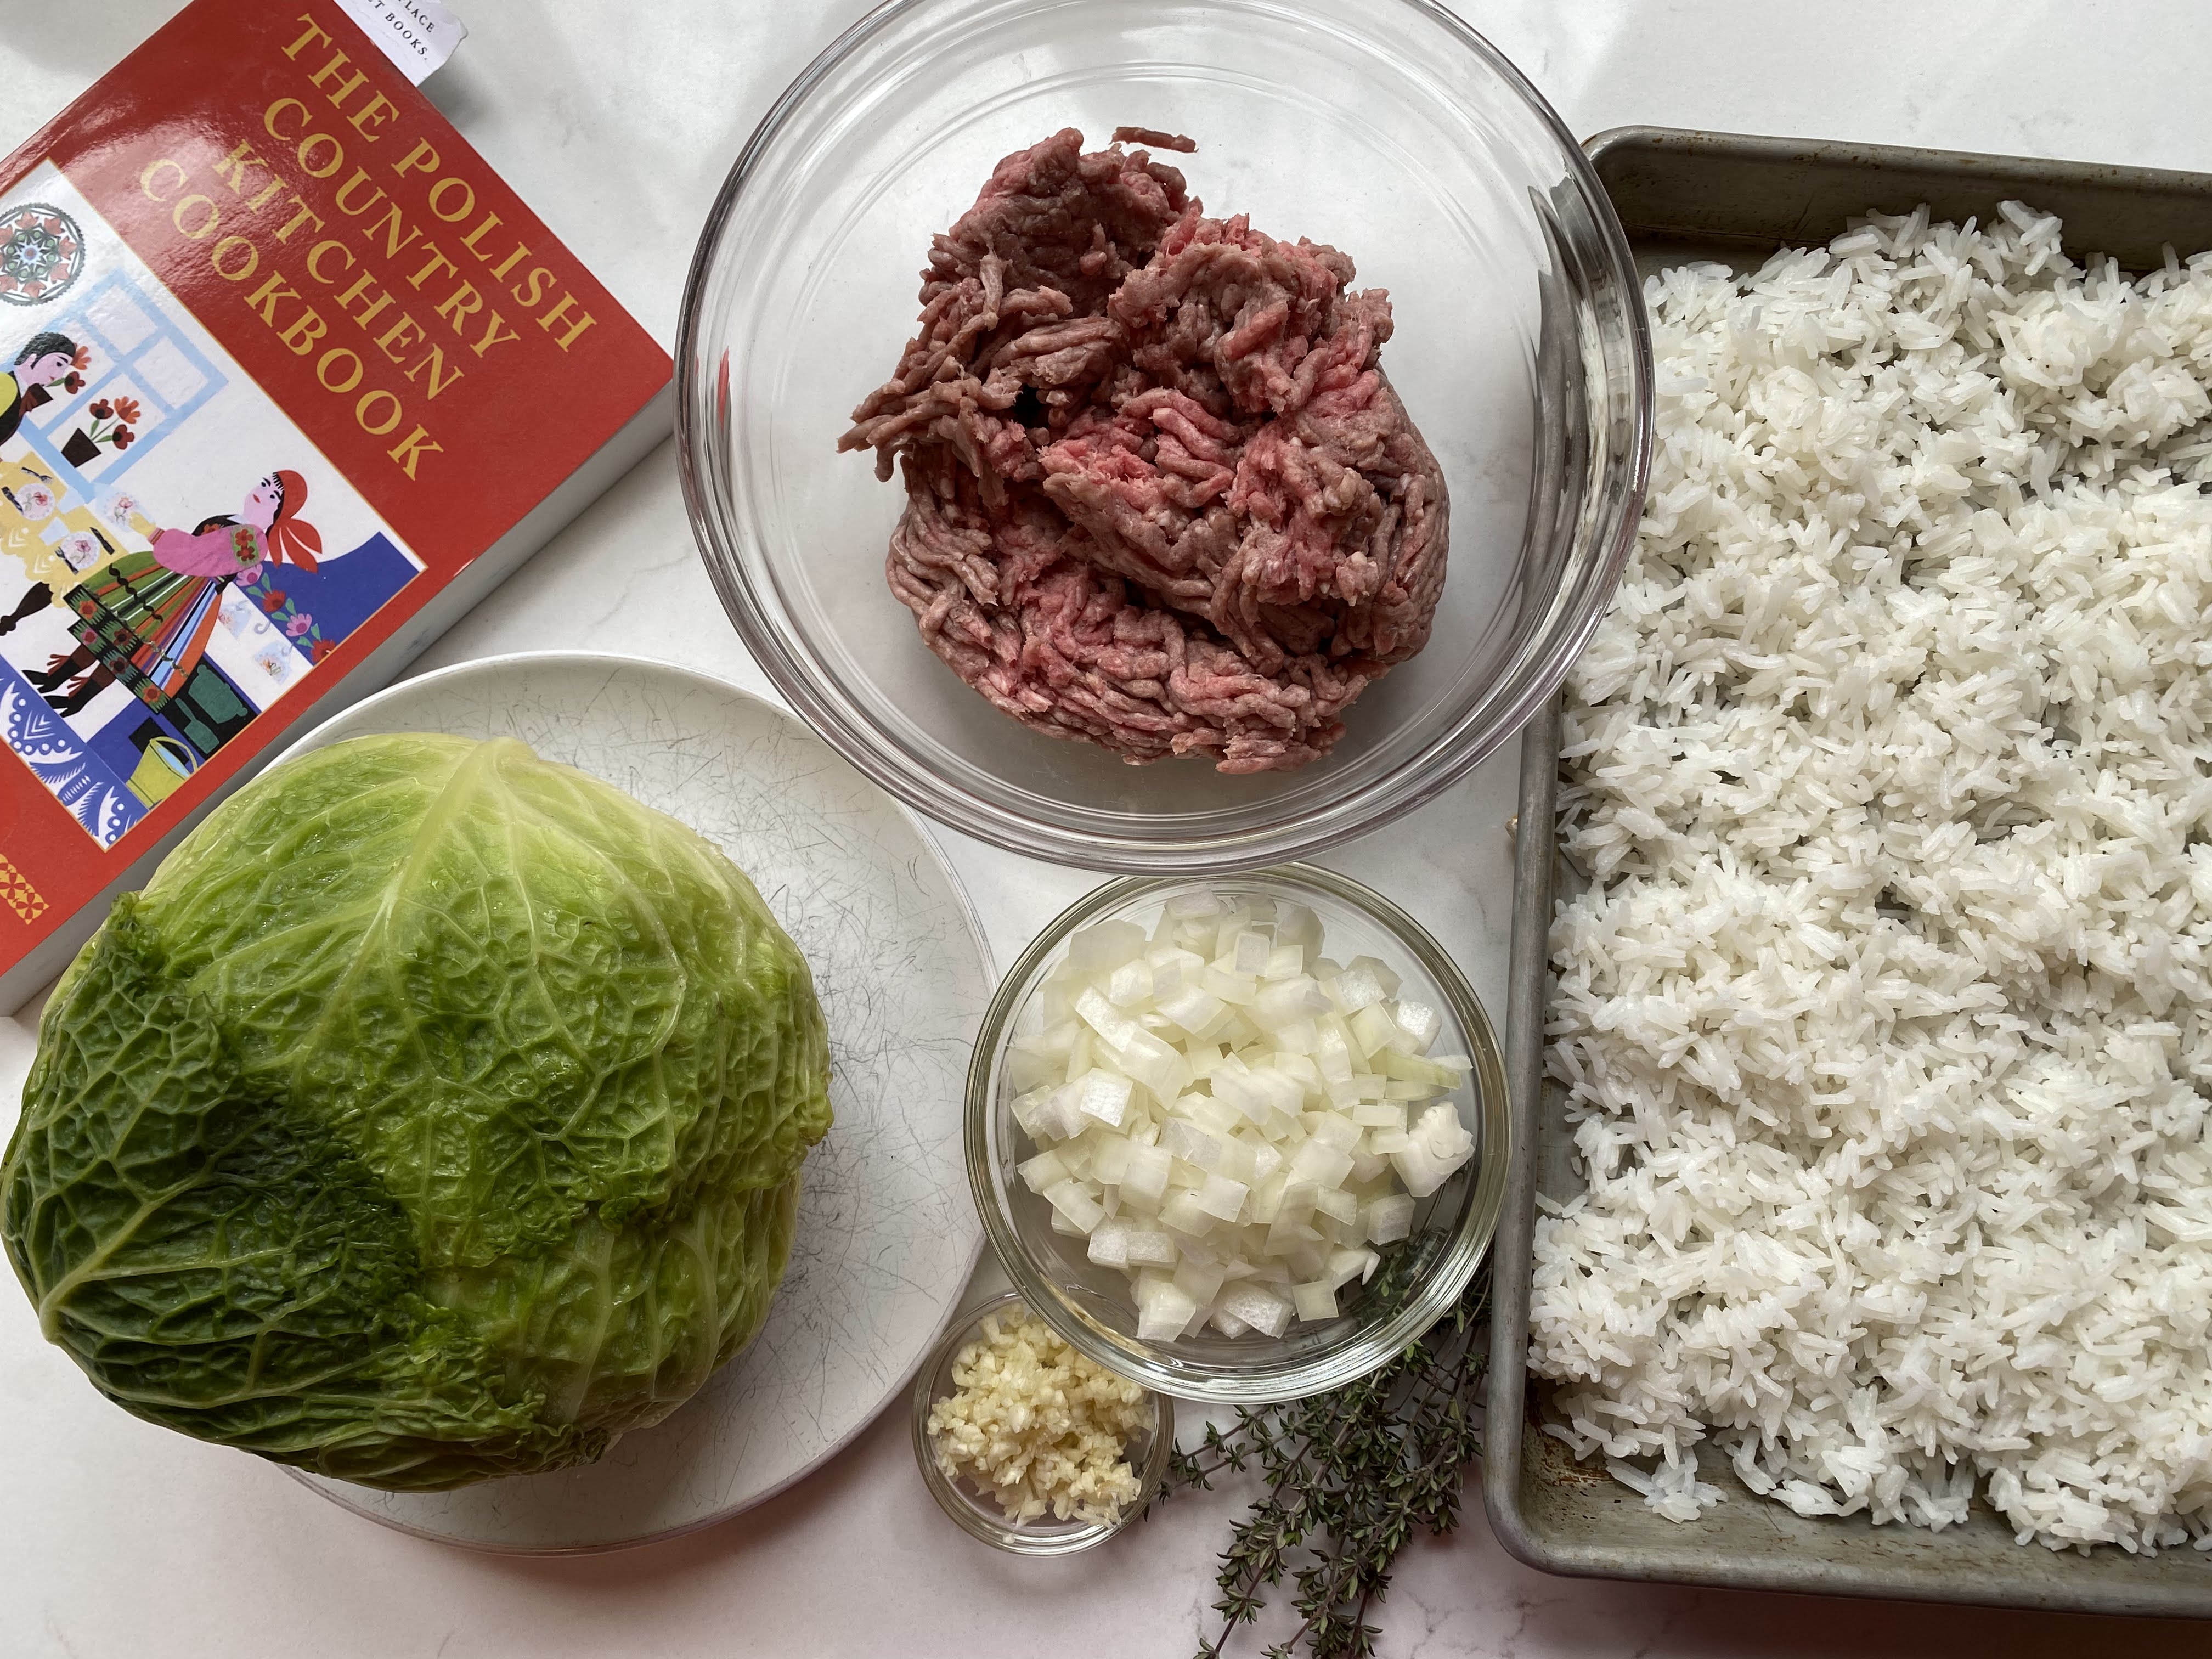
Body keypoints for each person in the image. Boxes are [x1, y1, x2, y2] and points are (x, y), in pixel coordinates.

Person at [29, 470, 321, 719]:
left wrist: (152, 532)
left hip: (185, 596)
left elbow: (200, 557)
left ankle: (77, 701)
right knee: (108, 628)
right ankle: (56, 678)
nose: (263, 493)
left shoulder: (254, 539)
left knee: (130, 649)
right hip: (168, 578)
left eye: (274, 496)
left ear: (280, 512)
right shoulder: (233, 519)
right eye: (265, 484)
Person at [0, 332, 80, 449]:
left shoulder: (22, 394)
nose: (58, 375)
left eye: (63, 369)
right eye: (58, 364)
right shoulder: (6, 384)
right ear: (33, 357)